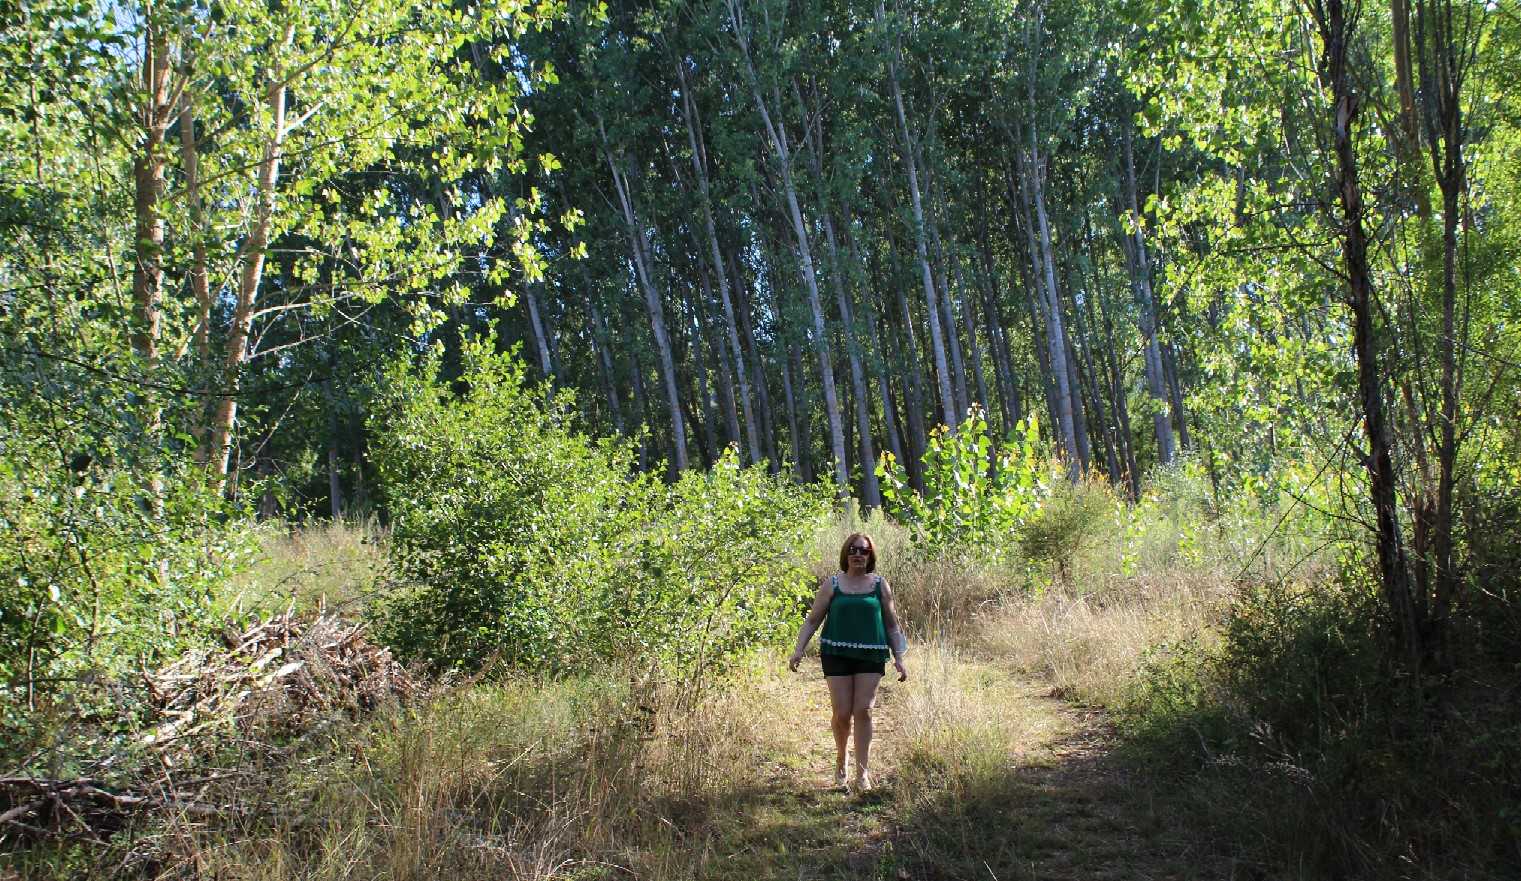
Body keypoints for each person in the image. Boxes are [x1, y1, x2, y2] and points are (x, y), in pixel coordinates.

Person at [788, 532, 907, 791]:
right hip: (836, 652)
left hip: (871, 653)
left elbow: (892, 625)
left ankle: (862, 774)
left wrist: (899, 657)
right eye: (853, 550)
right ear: (846, 554)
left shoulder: (880, 585)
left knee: (864, 710)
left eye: (863, 551)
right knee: (842, 714)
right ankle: (841, 758)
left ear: (870, 556)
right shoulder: (832, 584)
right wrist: (799, 650)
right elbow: (812, 620)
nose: (858, 554)